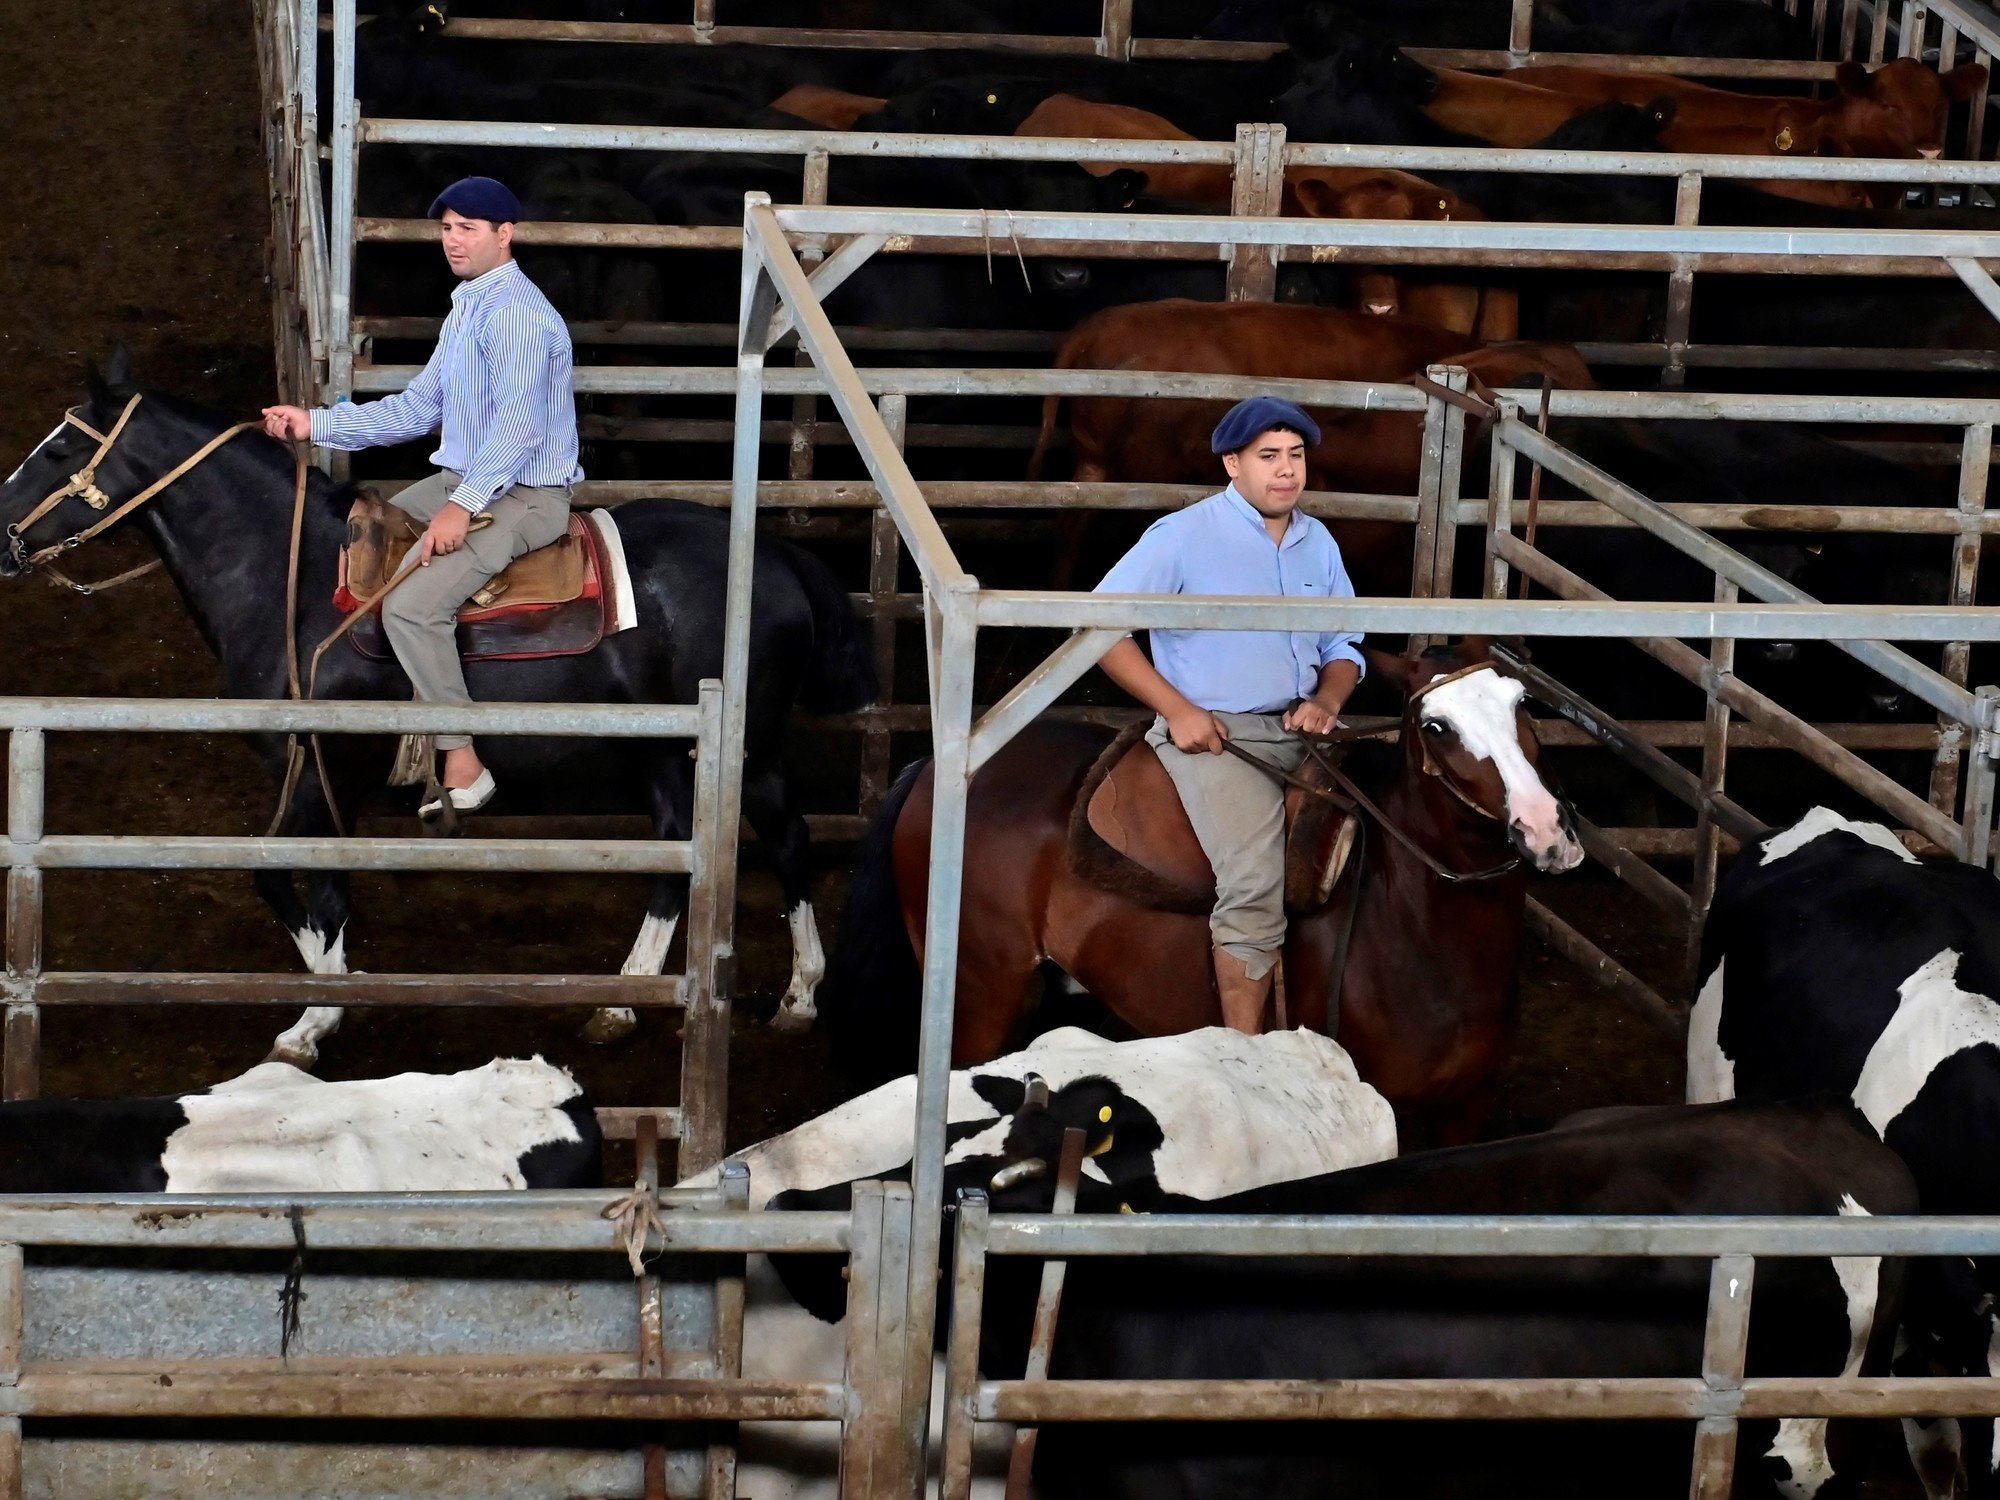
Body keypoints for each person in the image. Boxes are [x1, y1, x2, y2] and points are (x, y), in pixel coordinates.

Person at [261, 175, 583, 819]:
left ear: (505, 234)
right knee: (359, 537)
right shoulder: (469, 308)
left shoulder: (518, 315)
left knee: (412, 606)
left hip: (524, 491)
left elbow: (519, 429)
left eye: (468, 229)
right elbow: (417, 408)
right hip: (462, 476)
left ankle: (462, 757)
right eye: (446, 228)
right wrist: (315, 424)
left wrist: (462, 506)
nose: (453, 240)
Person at [1093, 395, 1365, 1033]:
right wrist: (1179, 710)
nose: (1286, 470)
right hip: (1218, 734)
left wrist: (1327, 700)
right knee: (1254, 881)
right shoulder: (1182, 537)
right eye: (1268, 456)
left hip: (1305, 728)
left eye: (1295, 455)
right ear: (1232, 464)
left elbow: (1344, 644)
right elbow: (1100, 628)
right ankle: (1242, 1056)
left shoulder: (1317, 541)